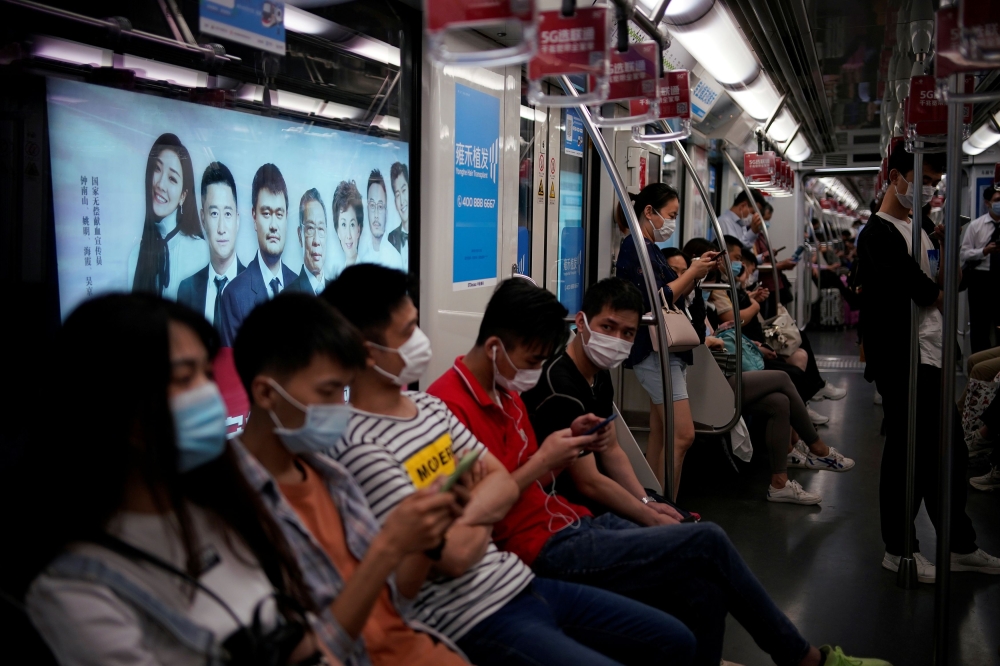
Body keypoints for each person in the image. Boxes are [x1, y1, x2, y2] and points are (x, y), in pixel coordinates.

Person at [427, 276, 892, 666]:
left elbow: (596, 458)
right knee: (707, 540)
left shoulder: (509, 391)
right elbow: (490, 505)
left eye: (627, 332)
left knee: (703, 587)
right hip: (542, 546)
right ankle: (805, 659)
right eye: (532, 359)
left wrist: (649, 501)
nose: (535, 369)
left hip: (567, 521)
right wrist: (552, 464)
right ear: (497, 348)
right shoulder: (454, 409)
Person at [322, 264, 698, 666]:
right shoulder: (360, 446)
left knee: (677, 637)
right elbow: (454, 554)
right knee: (700, 547)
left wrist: (466, 510)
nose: (421, 340)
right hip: (472, 611)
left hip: (515, 580)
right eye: (408, 330)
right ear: (367, 350)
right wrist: (482, 505)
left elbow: (500, 485)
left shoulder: (428, 408)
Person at [17, 294, 321, 664]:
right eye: (183, 378)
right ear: (112, 402)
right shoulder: (75, 587)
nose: (208, 393)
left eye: (207, 375)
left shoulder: (227, 507)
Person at [231, 292, 469, 665]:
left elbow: (394, 604)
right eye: (327, 392)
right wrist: (389, 546)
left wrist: (428, 537)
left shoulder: (332, 478)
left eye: (342, 390)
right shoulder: (232, 508)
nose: (339, 409)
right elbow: (304, 656)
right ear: (265, 393)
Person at [856, 146, 1000, 582]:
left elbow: (943, 283)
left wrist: (947, 255)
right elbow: (917, 288)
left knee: (949, 453)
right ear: (896, 177)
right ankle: (899, 548)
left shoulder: (919, 229)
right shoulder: (877, 234)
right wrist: (938, 290)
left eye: (935, 184)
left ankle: (959, 545)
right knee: (908, 455)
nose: (929, 191)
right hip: (902, 358)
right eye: (925, 181)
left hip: (931, 353)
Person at [615, 183, 718, 494]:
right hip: (653, 350)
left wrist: (697, 273)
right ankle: (668, 507)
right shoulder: (635, 248)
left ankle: (658, 501)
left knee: (661, 433)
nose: (671, 222)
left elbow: (673, 293)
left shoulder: (651, 250)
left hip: (665, 349)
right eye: (670, 215)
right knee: (682, 435)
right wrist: (692, 272)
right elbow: (655, 300)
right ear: (649, 212)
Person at [218, 164, 306, 346]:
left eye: (279, 214)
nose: (273, 225)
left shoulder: (301, 288)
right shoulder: (234, 295)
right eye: (266, 213)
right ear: (254, 217)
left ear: (286, 218)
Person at [128, 133, 209, 300]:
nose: (160, 184)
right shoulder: (135, 255)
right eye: (157, 169)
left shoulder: (199, 251)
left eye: (172, 179)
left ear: (183, 196)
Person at [177, 162, 246, 327]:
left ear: (237, 220)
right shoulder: (186, 290)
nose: (221, 228)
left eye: (227, 214)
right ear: (203, 219)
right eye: (214, 213)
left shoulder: (255, 287)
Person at [959, 185, 1000, 352]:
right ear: (987, 203)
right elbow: (964, 253)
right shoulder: (976, 226)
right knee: (979, 325)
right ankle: (978, 364)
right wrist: (984, 251)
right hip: (980, 280)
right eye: (997, 200)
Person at [359, 170, 403, 270]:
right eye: (372, 205)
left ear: (386, 213)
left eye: (380, 206)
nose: (376, 215)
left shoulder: (395, 260)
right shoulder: (363, 260)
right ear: (367, 210)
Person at [288, 189, 329, 295]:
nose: (316, 241)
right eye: (310, 228)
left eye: (321, 229)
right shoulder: (287, 298)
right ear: (300, 235)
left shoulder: (339, 293)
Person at [329, 179, 364, 278]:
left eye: (352, 224)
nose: (348, 235)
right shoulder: (337, 277)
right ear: (338, 230)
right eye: (344, 224)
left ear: (358, 230)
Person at [387, 162, 409, 272]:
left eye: (404, 191)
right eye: (397, 195)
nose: (401, 201)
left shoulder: (425, 234)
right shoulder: (391, 238)